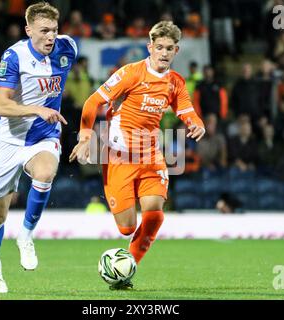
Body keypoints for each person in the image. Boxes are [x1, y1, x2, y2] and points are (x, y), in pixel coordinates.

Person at [69, 21, 205, 289]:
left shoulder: (175, 82)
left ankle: (125, 268)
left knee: (154, 214)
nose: (164, 53)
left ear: (176, 50)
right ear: (149, 47)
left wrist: (195, 122)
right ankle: (122, 260)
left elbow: (186, 109)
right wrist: (85, 136)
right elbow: (93, 101)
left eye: (169, 48)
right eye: (159, 47)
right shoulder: (131, 73)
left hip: (150, 154)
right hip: (119, 156)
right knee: (127, 228)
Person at [0, 2, 77, 293]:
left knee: (46, 173)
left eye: (54, 30)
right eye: (44, 31)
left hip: (44, 136)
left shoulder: (68, 49)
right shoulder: (14, 56)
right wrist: (36, 108)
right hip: (9, 140)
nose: (51, 37)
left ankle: (25, 235)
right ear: (28, 30)